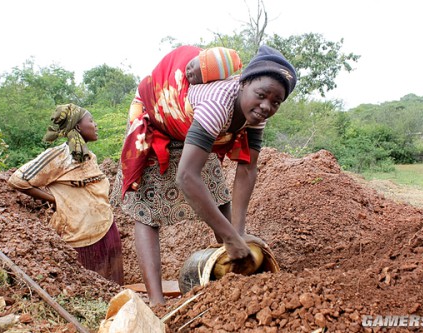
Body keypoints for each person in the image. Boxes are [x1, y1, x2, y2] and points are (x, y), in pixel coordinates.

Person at [111, 45, 296, 305]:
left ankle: (229, 262)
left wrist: (239, 232)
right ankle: (156, 300)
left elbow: (247, 168)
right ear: (242, 84)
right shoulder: (217, 104)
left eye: (275, 102)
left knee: (217, 192)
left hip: (193, 127)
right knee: (148, 208)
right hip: (160, 119)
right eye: (262, 95)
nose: (266, 106)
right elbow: (186, 176)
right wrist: (232, 237)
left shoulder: (256, 114)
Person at [8, 103, 124, 285]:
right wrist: (54, 199)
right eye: (91, 121)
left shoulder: (89, 156)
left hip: (106, 227)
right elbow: (18, 180)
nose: (96, 125)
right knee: (94, 289)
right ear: (78, 126)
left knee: (117, 287)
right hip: (81, 237)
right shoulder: (58, 156)